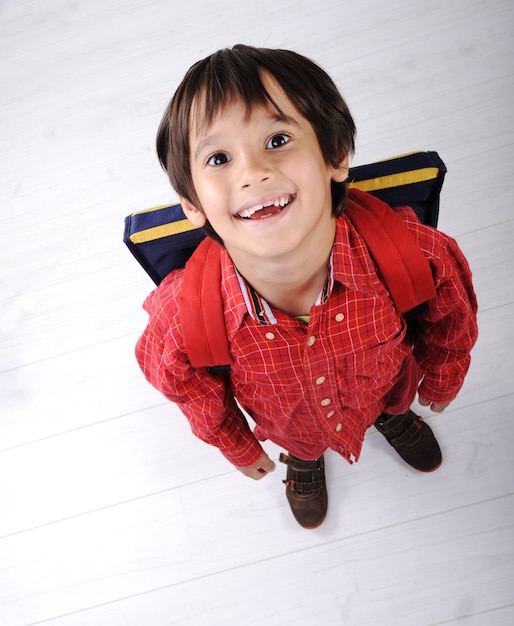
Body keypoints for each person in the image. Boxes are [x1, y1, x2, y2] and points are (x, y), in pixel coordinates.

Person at [136, 44, 478, 529]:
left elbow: (452, 319)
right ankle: (304, 462)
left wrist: (444, 376)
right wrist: (236, 442)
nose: (252, 171)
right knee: (300, 438)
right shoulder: (181, 315)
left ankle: (395, 419)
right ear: (192, 203)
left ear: (334, 156)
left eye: (277, 140)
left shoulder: (413, 253)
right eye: (218, 157)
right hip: (289, 420)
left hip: (384, 382)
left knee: (394, 398)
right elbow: (187, 385)